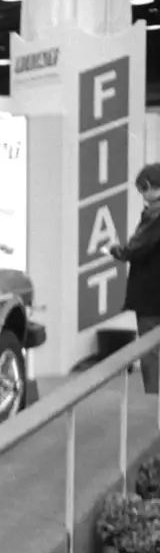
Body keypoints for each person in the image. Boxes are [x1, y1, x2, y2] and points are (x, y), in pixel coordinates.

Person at [110, 163, 160, 394]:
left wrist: (115, 250)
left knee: (152, 352)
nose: (142, 196)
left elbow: (133, 249)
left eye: (143, 190)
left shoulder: (155, 216)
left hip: (152, 297)